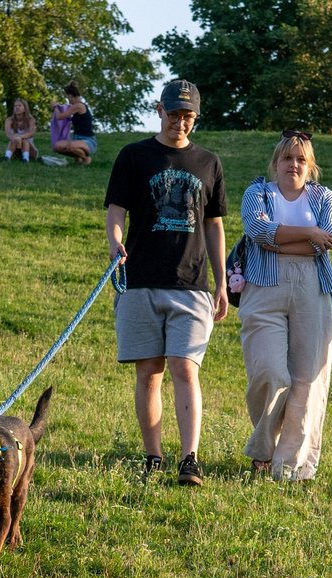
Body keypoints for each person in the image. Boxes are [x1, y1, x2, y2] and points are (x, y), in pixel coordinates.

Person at [104, 79, 228, 486]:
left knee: (184, 368)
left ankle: (189, 459)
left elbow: (213, 225)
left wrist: (222, 282)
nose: (180, 122)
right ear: (160, 110)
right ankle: (153, 456)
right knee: (149, 372)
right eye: (174, 113)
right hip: (140, 280)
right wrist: (115, 244)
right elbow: (117, 210)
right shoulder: (134, 156)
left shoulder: (208, 163)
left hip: (192, 284)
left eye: (188, 115)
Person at [239, 130, 332, 481]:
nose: (293, 164)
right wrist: (308, 236)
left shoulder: (325, 197)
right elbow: (256, 229)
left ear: (310, 165)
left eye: (301, 159)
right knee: (270, 373)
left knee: (307, 381)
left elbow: (326, 239)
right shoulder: (258, 193)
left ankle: (289, 466)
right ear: (276, 163)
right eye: (287, 158)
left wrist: (281, 241)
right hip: (263, 288)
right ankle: (263, 448)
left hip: (313, 289)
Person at [53, 81, 97, 165]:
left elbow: (60, 117)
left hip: (88, 140)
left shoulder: (79, 106)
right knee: (57, 147)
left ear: (71, 96)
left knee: (71, 146)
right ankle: (78, 157)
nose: (68, 100)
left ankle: (86, 158)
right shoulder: (74, 107)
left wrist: (55, 107)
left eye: (68, 97)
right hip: (76, 138)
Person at [3, 98, 39, 162]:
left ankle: (26, 158)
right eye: (15, 106)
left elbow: (31, 133)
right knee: (13, 139)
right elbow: (8, 134)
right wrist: (15, 138)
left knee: (25, 140)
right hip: (15, 148)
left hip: (29, 149)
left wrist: (19, 137)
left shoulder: (31, 120)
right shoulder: (9, 120)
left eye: (19, 106)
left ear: (25, 108)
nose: (17, 107)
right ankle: (7, 157)